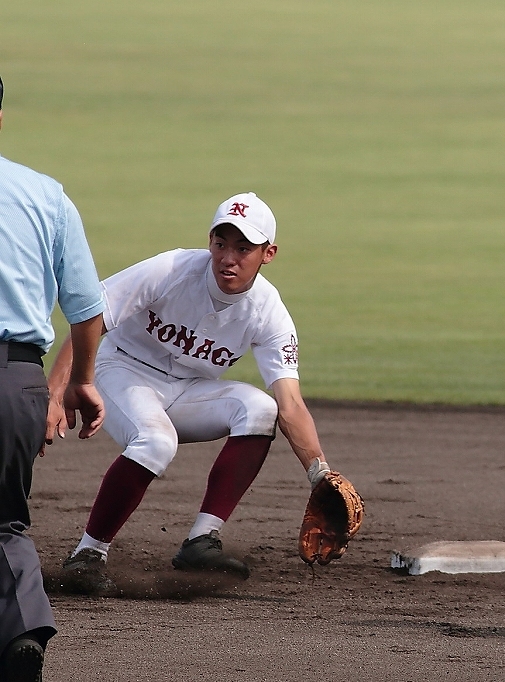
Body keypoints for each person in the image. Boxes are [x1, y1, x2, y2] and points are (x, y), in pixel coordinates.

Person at [49, 191, 342, 595]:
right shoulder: (171, 269)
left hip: (188, 390)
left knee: (260, 408)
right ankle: (88, 554)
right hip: (119, 370)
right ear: (209, 241)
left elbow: (291, 404)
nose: (228, 258)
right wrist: (59, 386)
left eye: (244, 248)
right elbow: (91, 316)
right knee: (156, 441)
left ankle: (201, 541)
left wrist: (320, 473)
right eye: (221, 244)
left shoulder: (268, 311)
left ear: (268, 253)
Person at [0, 74, 107, 682]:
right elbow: (88, 313)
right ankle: (21, 632)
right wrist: (78, 382)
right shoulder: (45, 195)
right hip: (16, 382)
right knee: (6, 522)